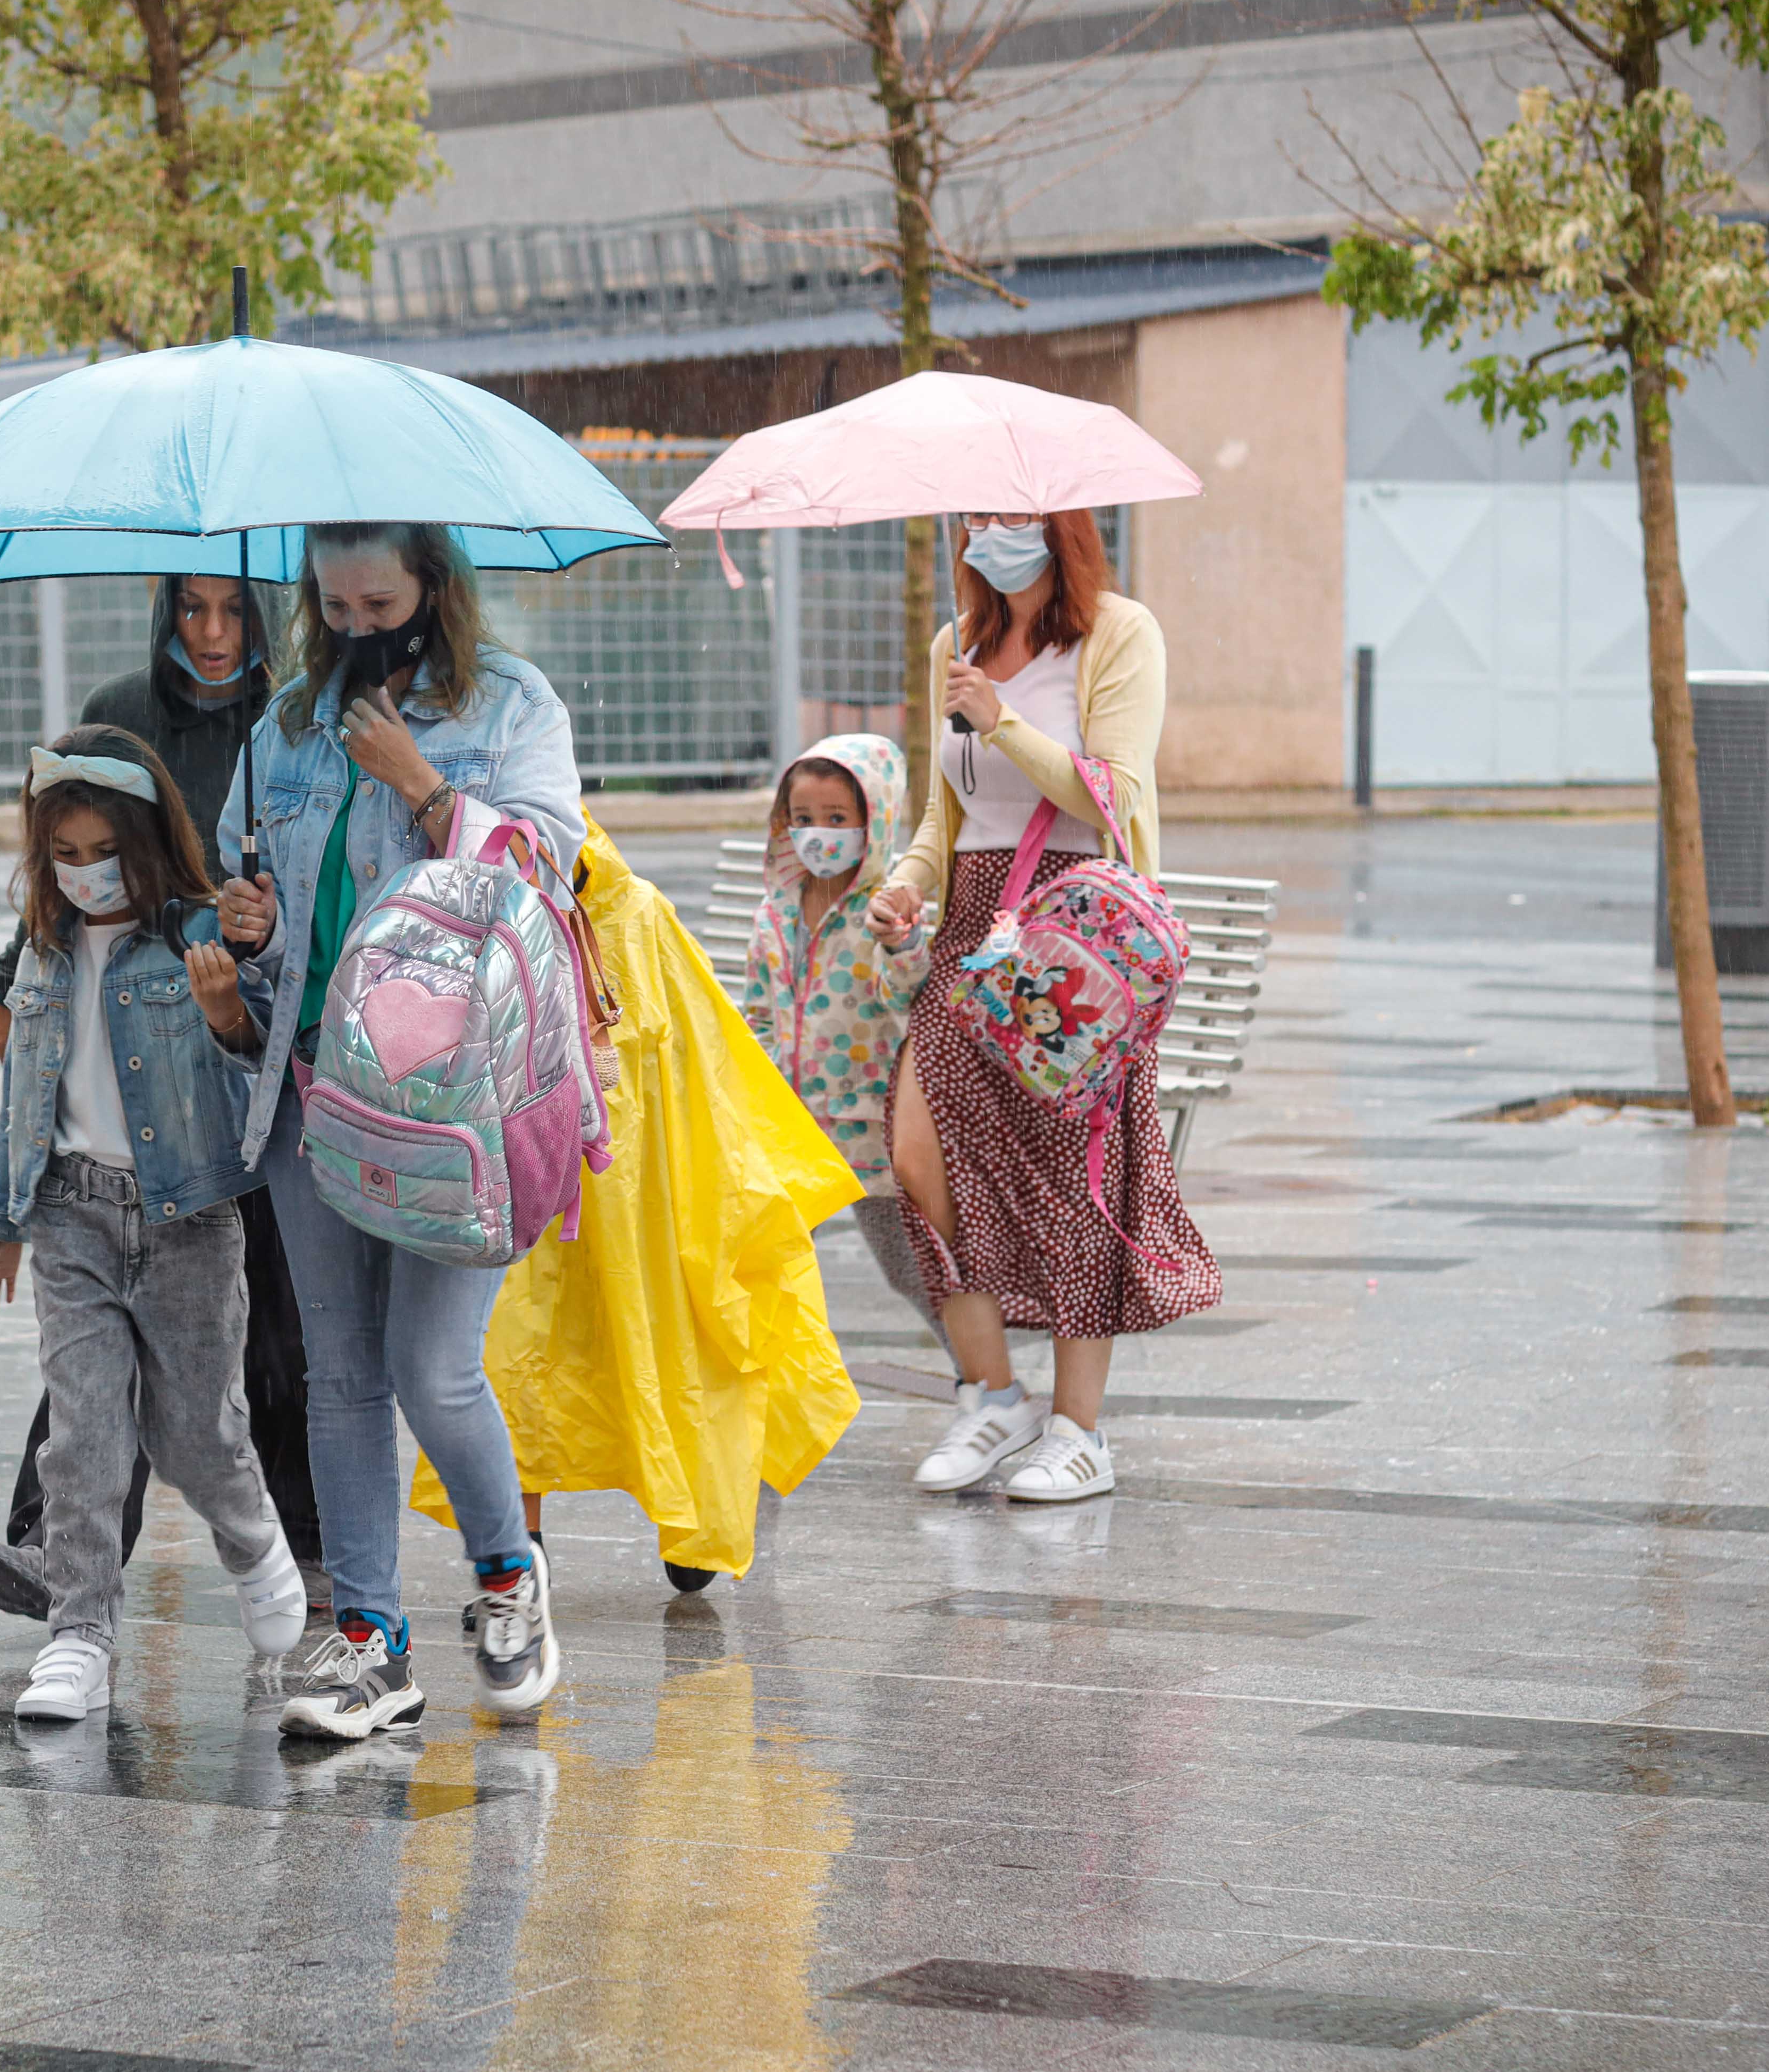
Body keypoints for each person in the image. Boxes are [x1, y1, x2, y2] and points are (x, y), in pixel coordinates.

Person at [213, 521, 578, 1738]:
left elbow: (545, 878)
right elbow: (243, 872)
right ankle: (369, 1637)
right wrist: (247, 924)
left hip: (454, 1101)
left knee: (433, 1367)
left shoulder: (510, 707)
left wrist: (421, 787)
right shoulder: (287, 725)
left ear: (435, 587)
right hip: (313, 1090)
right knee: (343, 1375)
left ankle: (505, 1574)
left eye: (380, 600)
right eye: (336, 603)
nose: (358, 625)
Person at [0, 575, 318, 1618]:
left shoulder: (293, 723)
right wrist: (12, 984)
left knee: (259, 1347)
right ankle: (56, 1551)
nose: (212, 634)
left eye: (231, 612)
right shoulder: (122, 708)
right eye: (190, 611)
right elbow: (63, 858)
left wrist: (253, 936)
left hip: (238, 1036)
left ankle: (298, 1547)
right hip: (121, 1066)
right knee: (90, 1366)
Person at [861, 509, 1223, 1502]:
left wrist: (1003, 722)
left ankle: (1079, 1431)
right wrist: (906, 884)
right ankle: (992, 1394)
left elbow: (1109, 794)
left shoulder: (1120, 632)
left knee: (1075, 1171)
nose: (986, 530)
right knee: (917, 1154)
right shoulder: (959, 642)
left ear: (1058, 524)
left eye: (1008, 513)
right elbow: (946, 813)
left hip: (1075, 927)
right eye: (971, 515)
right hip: (974, 924)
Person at [411, 814, 864, 1599]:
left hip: (637, 1196)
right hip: (527, 1180)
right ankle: (524, 1539)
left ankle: (687, 1515)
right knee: (514, 1355)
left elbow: (701, 1052)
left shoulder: (635, 914)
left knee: (637, 1348)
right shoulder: (486, 910)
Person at [740, 734, 931, 1309]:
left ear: (873, 821)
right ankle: (774, 1393)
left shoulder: (885, 908)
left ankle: (980, 1377)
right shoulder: (775, 912)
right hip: (789, 1122)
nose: (818, 832)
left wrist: (903, 945)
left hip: (868, 1120)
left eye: (837, 817)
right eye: (803, 817)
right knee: (769, 1265)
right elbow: (757, 1012)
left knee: (908, 1271)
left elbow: (906, 996)